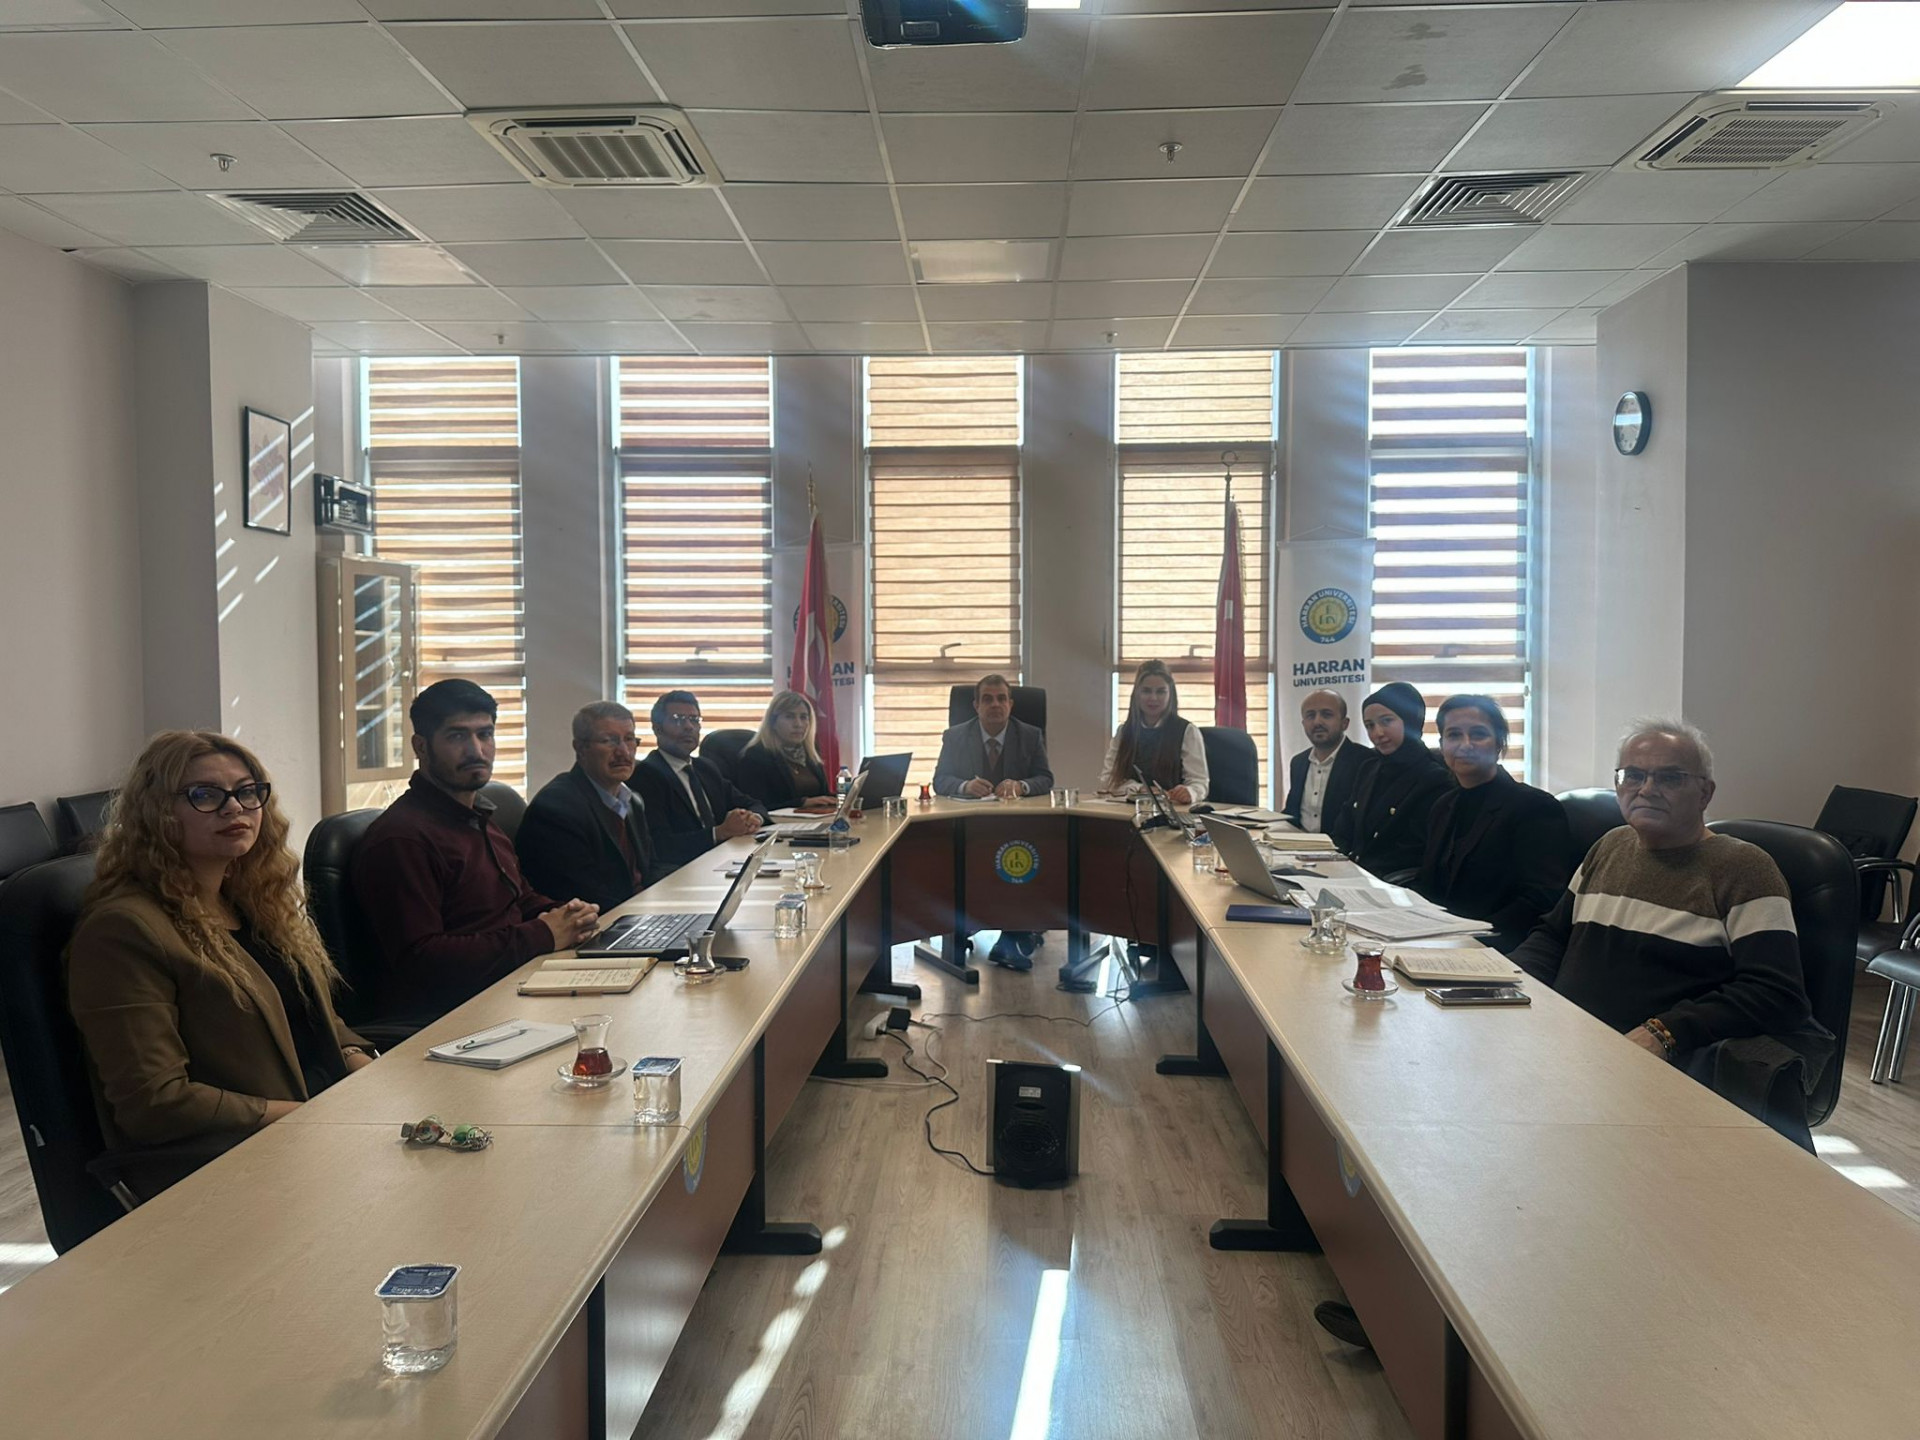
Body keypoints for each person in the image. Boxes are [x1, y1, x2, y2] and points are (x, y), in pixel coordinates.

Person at [67, 730, 373, 1198]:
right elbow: (155, 1103)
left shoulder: (253, 900)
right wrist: (310, 1117)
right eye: (205, 795)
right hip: (239, 1166)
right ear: (157, 811)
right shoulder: (124, 930)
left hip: (321, 1129)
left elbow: (315, 1019)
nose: (234, 808)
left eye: (247, 792)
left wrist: (363, 1069)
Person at [352, 679, 599, 1024]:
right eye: (457, 736)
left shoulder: (478, 817)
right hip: (456, 1018)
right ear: (421, 746)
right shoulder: (402, 838)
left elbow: (519, 899)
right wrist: (542, 935)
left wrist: (568, 915)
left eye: (485, 734)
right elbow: (422, 961)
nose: (476, 750)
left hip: (512, 987)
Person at [1410, 695, 1572, 952]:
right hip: (1437, 938)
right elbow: (1427, 881)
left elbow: (1540, 900)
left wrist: (1469, 938)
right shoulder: (1443, 806)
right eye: (1454, 735)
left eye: (1478, 734)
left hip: (1495, 946)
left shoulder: (1534, 807)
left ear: (1499, 743)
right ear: (1442, 745)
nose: (1465, 745)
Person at [932, 674, 1056, 970]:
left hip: (1017, 829)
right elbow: (940, 780)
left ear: (1011, 704)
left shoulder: (1029, 735)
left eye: (1001, 698)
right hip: (969, 830)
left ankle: (1013, 934)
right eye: (987, 699)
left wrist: (1021, 786)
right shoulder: (955, 736)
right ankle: (966, 923)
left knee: (1020, 856)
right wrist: (964, 786)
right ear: (976, 705)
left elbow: (1045, 778)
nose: (995, 705)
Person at [516, 701, 664, 912]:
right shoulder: (556, 809)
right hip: (598, 922)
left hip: (637, 914)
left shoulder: (632, 801)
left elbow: (651, 869)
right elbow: (587, 896)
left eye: (629, 739)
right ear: (580, 748)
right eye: (609, 741)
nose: (623, 752)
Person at [631, 690, 772, 873]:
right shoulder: (646, 775)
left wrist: (752, 818)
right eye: (678, 719)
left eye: (694, 720)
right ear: (657, 729)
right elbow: (660, 846)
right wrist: (720, 832)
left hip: (725, 861)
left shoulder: (705, 768)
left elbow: (753, 803)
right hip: (683, 872)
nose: (689, 727)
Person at [1341, 681, 1450, 878]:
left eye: (1386, 721)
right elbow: (1344, 827)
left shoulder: (1434, 777)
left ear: (1410, 721)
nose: (1377, 733)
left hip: (1395, 885)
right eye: (1370, 725)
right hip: (1354, 876)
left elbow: (1413, 853)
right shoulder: (1369, 768)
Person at [1102, 660, 1209, 805]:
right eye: (1146, 691)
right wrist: (1140, 789)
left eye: (1161, 691)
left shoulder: (1187, 731)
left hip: (1174, 810)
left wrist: (1190, 792)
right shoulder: (1124, 731)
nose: (1153, 698)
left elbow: (1199, 782)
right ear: (1137, 694)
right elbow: (1108, 779)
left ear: (1170, 694)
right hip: (1130, 809)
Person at [1281, 689, 1367, 839]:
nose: (1317, 722)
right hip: (1298, 847)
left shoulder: (1365, 761)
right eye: (1310, 716)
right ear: (1303, 723)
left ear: (1344, 723)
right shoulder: (1298, 762)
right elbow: (1292, 813)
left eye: (1326, 715)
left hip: (1341, 849)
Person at [734, 691, 838, 814]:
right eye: (789, 716)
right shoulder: (756, 756)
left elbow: (823, 796)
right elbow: (757, 807)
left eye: (803, 717)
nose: (798, 724)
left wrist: (845, 797)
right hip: (779, 824)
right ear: (773, 723)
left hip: (816, 820)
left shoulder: (810, 754)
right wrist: (800, 803)